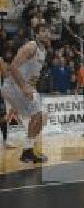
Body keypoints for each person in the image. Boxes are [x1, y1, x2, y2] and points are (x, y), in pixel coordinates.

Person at [0, 23, 50, 163]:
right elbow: (13, 67)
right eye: (43, 30)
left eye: (48, 31)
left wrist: (30, 87)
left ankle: (28, 150)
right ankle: (27, 151)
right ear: (36, 34)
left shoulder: (43, 51)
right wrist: (23, 87)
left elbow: (32, 74)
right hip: (14, 86)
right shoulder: (31, 47)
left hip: (25, 87)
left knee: (41, 117)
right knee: (38, 115)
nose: (47, 34)